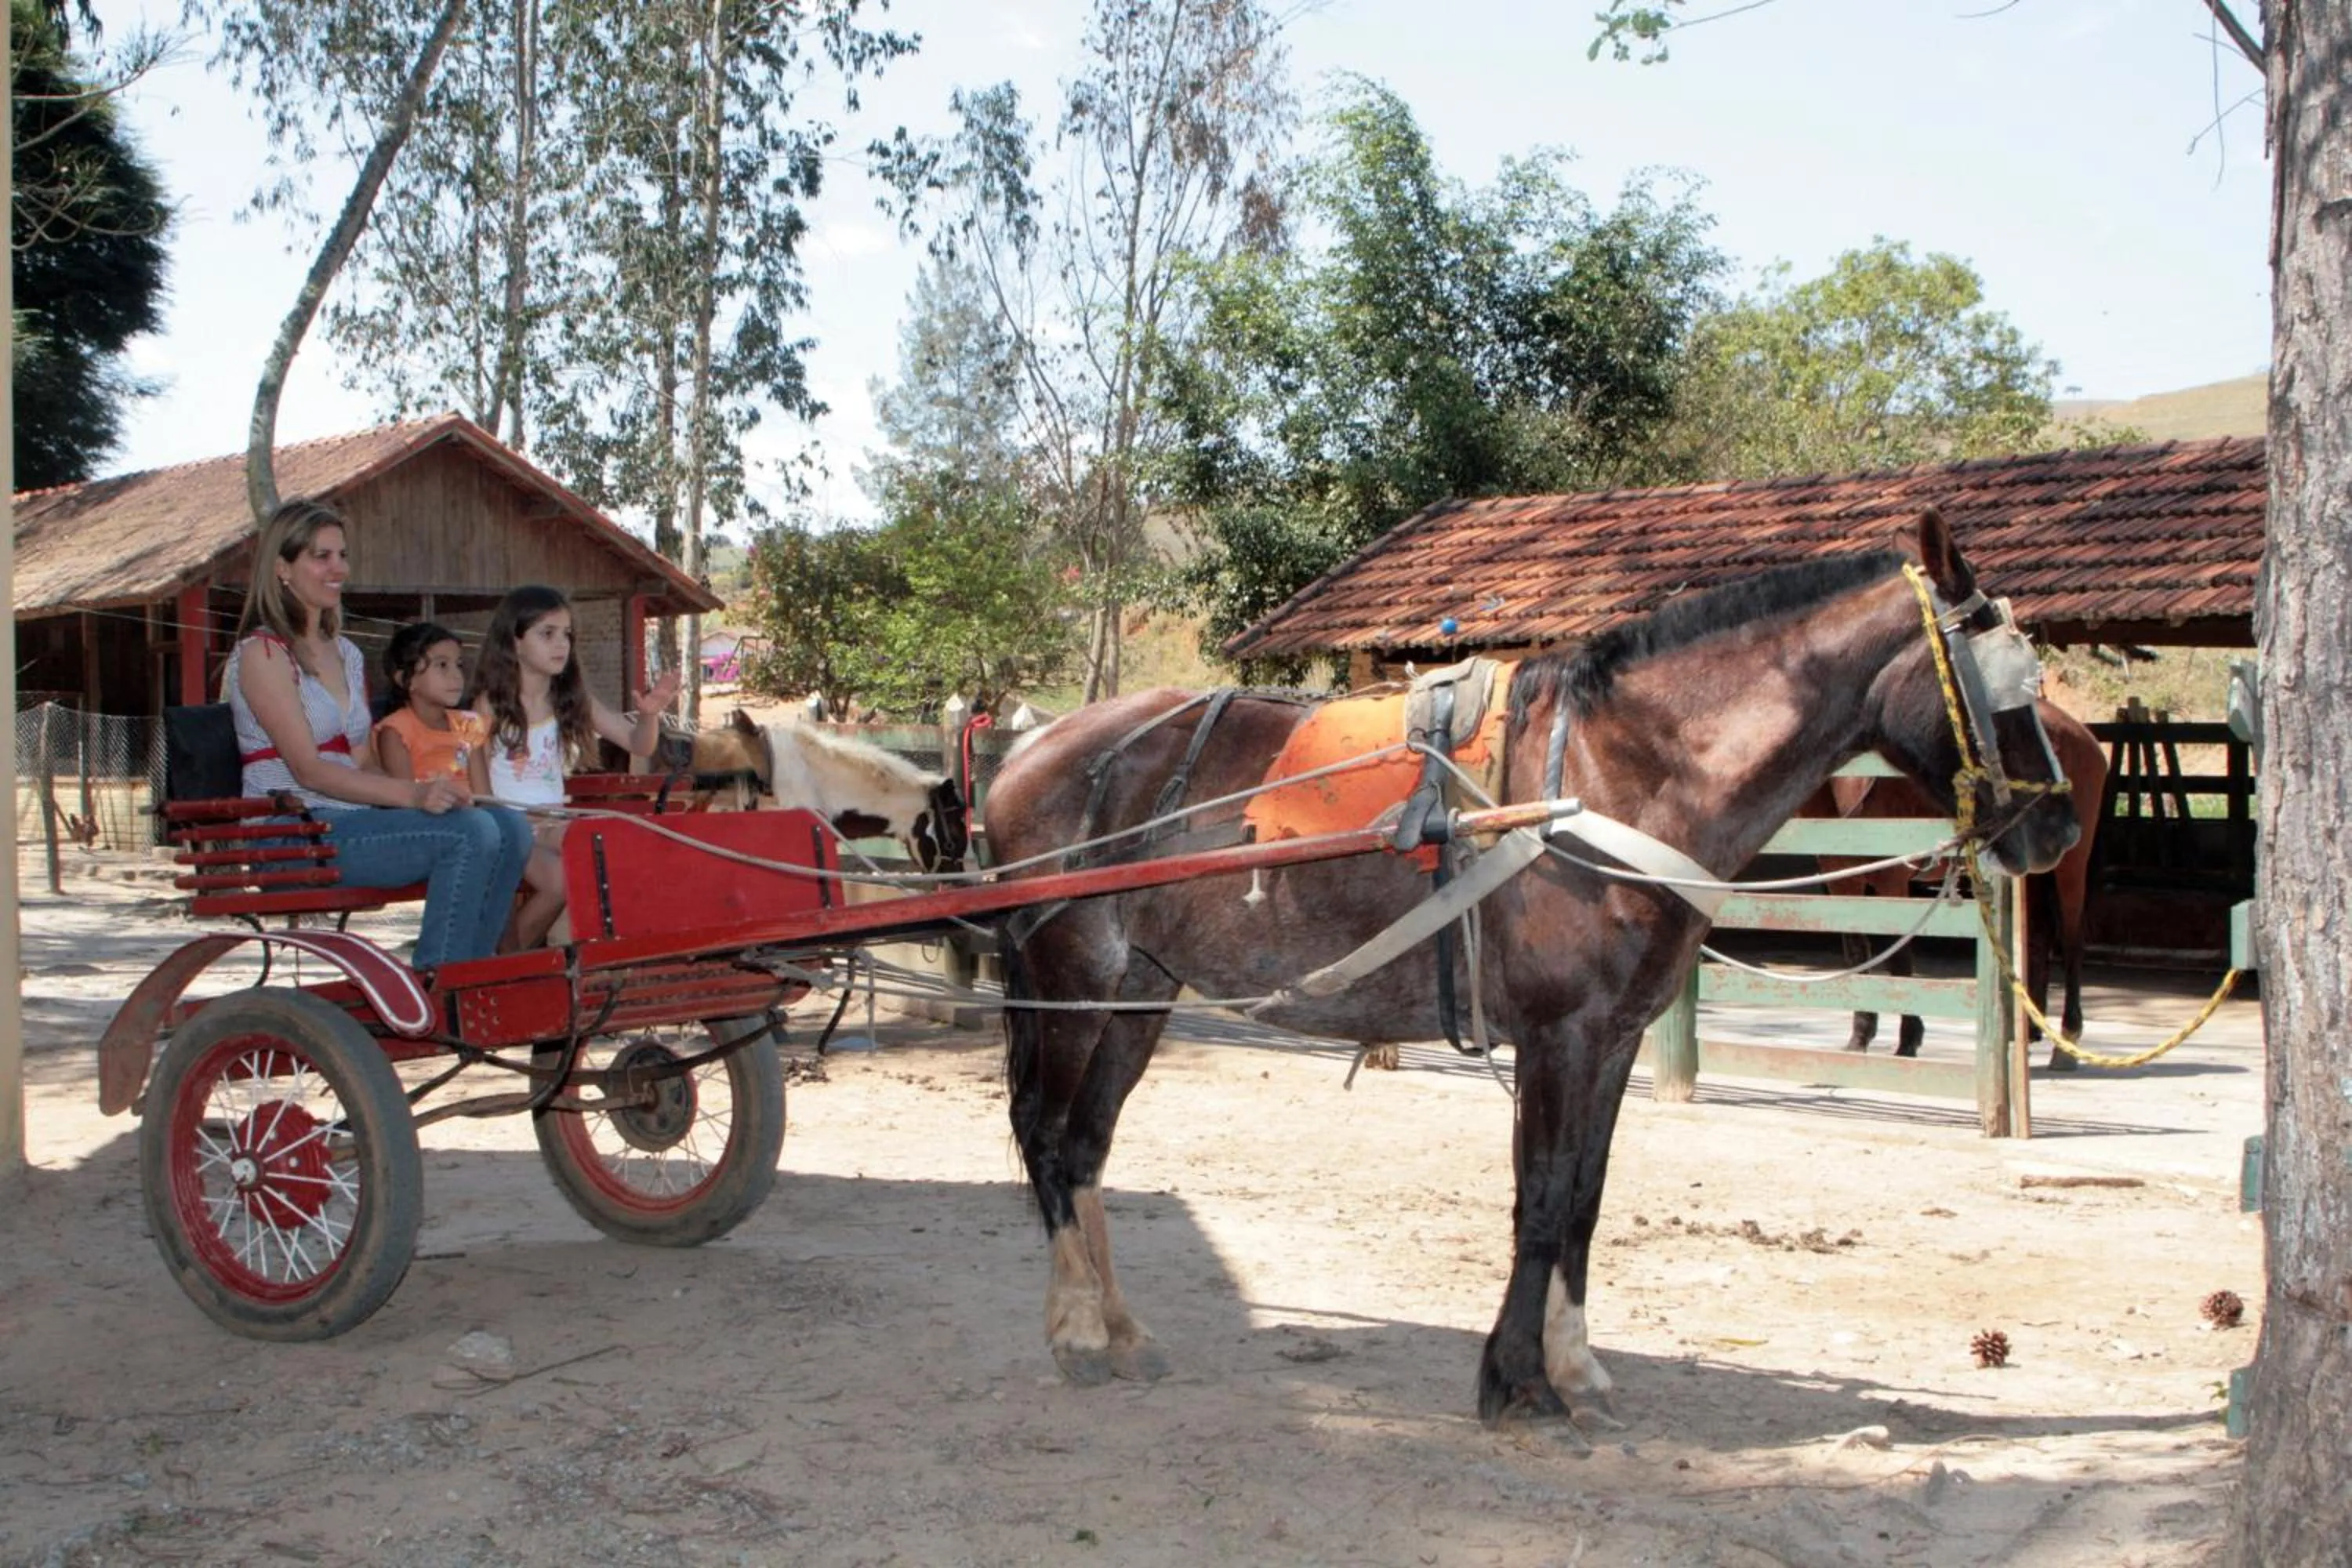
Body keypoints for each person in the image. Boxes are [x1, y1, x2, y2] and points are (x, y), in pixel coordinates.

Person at [225, 499, 532, 971]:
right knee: (470, 834)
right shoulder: (261, 655)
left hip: (347, 824)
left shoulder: (345, 653)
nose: (338, 569)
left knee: (508, 826)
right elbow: (309, 770)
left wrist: (436, 789)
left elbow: (363, 758)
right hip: (290, 833)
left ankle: (475, 970)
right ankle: (442, 980)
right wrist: (412, 795)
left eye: (342, 555)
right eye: (321, 556)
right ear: (283, 568)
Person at [471, 583, 680, 949]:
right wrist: (508, 823)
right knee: (592, 850)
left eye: (566, 634)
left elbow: (638, 743)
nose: (561, 644)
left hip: (552, 824)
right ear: (515, 641)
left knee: (570, 876)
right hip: (510, 829)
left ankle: (509, 960)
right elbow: (479, 789)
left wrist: (649, 715)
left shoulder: (571, 699)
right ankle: (507, 960)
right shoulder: (488, 706)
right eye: (547, 634)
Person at [374, 622, 492, 795]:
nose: (456, 676)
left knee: (508, 818)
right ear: (406, 680)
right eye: (442, 665)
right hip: (429, 818)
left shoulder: (469, 724)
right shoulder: (396, 732)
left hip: (474, 816)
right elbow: (405, 802)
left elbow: (485, 797)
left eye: (459, 665)